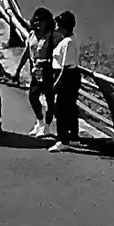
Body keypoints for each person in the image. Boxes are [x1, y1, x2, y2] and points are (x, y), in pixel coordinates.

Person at [15, 8, 56, 137]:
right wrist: (18, 69)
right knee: (33, 97)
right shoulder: (32, 35)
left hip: (48, 71)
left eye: (42, 21)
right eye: (37, 20)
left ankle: (47, 127)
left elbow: (56, 55)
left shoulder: (52, 36)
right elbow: (27, 52)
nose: (39, 23)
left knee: (50, 100)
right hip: (36, 72)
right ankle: (40, 122)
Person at [48, 11, 80, 152]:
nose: (57, 28)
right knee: (71, 107)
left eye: (60, 26)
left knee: (60, 109)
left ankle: (63, 140)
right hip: (70, 76)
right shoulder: (70, 40)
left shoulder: (68, 42)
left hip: (66, 77)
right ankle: (73, 137)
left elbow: (66, 67)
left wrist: (57, 83)